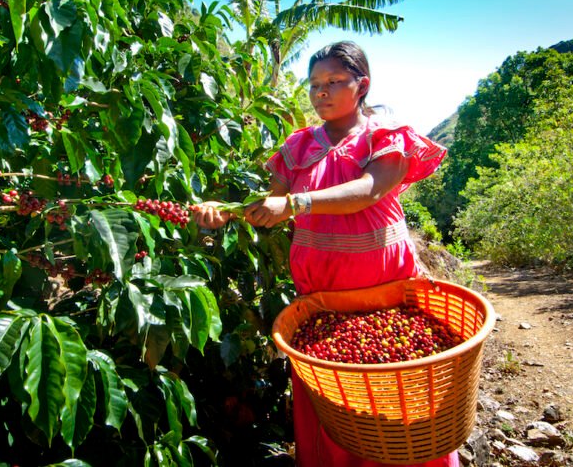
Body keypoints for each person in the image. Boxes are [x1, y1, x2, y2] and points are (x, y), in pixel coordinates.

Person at [192, 41, 454, 467]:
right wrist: (224, 213)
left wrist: (297, 204)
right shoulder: (298, 146)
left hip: (385, 281)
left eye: (334, 82)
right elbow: (267, 203)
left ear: (361, 85)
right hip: (320, 286)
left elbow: (368, 190)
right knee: (334, 394)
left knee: (396, 387)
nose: (322, 93)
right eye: (315, 84)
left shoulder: (384, 135)